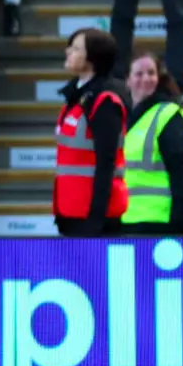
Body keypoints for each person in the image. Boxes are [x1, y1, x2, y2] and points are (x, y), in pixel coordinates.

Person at [54, 28, 129, 238]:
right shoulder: (75, 96)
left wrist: (96, 220)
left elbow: (107, 163)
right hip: (70, 211)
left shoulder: (104, 101)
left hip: (93, 219)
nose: (68, 51)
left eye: (76, 48)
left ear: (93, 58)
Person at [121, 52, 183, 236]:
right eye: (139, 74)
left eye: (151, 73)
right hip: (124, 221)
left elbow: (182, 177)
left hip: (158, 224)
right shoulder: (123, 117)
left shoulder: (169, 116)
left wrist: (180, 226)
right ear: (127, 80)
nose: (146, 78)